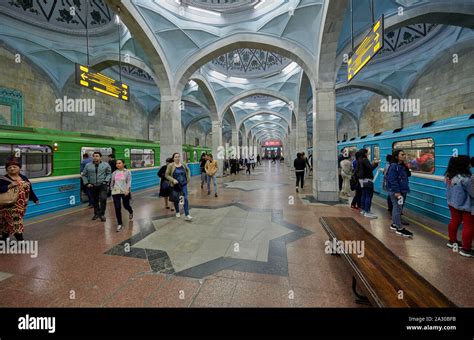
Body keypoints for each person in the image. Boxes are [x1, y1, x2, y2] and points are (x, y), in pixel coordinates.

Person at [0, 158, 39, 241]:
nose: (12, 168)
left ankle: (4, 237)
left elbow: (30, 189)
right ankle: (20, 240)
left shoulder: (23, 178)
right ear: (7, 169)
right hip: (7, 205)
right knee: (16, 221)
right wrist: (9, 186)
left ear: (19, 168)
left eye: (14, 166)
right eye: (9, 167)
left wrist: (35, 199)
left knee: (6, 222)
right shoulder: (3, 179)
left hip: (21, 205)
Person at [445, 155, 473, 257]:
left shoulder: (449, 175)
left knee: (454, 221)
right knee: (469, 225)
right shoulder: (466, 178)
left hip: (452, 203)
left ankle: (452, 241)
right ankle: (466, 249)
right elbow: (473, 193)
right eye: (468, 162)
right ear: (464, 164)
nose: (470, 164)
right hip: (466, 205)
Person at [386, 150, 413, 238]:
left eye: (404, 154)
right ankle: (399, 228)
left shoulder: (401, 166)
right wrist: (397, 192)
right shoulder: (394, 166)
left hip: (402, 190)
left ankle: (394, 224)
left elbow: (407, 175)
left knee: (397, 208)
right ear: (397, 156)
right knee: (398, 208)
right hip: (398, 191)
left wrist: (405, 166)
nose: (404, 156)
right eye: (402, 154)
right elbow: (392, 180)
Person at [82, 152, 111, 222]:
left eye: (97, 156)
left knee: (103, 199)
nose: (95, 157)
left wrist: (105, 181)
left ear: (100, 157)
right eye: (94, 156)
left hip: (102, 185)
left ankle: (102, 214)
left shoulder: (106, 165)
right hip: (92, 185)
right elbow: (84, 175)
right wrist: (87, 183)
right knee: (95, 201)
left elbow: (109, 174)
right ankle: (96, 214)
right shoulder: (88, 165)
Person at [166, 152, 192, 221]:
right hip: (175, 185)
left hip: (183, 185)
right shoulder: (171, 165)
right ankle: (177, 211)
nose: (177, 158)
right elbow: (166, 175)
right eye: (176, 157)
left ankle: (187, 214)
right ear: (173, 158)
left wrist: (188, 177)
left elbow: (188, 170)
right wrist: (173, 180)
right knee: (177, 199)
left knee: (185, 198)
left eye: (178, 157)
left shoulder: (183, 164)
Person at [355, 148, 379, 219]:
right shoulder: (365, 160)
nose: (368, 154)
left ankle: (363, 210)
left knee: (364, 195)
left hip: (361, 180)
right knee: (368, 195)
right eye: (367, 153)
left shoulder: (358, 160)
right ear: (364, 153)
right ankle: (367, 211)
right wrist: (375, 164)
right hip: (367, 179)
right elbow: (370, 168)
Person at [110, 159, 133, 232]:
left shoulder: (127, 172)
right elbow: (112, 182)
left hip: (124, 191)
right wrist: (111, 189)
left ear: (123, 164)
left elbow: (129, 181)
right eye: (117, 163)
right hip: (116, 191)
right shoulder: (114, 173)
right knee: (117, 207)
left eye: (119, 163)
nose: (117, 165)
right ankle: (120, 224)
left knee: (126, 206)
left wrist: (127, 190)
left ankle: (131, 211)